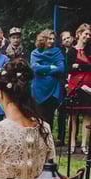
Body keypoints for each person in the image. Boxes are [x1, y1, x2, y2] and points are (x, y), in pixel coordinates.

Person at [30, 29, 64, 129]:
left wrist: (43, 71)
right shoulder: (35, 53)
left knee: (49, 119)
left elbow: (61, 68)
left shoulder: (56, 52)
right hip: (39, 90)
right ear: (43, 39)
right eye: (49, 38)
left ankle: (48, 142)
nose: (52, 41)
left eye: (53, 39)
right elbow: (35, 68)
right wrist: (50, 67)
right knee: (39, 119)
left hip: (53, 90)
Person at [67, 23, 91, 154]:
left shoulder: (90, 50)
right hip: (75, 86)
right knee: (73, 115)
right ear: (79, 34)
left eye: (89, 35)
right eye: (85, 34)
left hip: (88, 87)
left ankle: (84, 145)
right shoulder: (71, 51)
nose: (87, 37)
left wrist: (79, 67)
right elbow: (69, 68)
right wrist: (84, 67)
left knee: (88, 114)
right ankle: (71, 144)